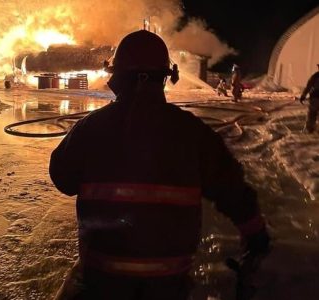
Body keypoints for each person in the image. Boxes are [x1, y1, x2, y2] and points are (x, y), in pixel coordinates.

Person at [49, 30, 270, 300]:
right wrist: (256, 234)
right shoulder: (193, 133)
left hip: (102, 280)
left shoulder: (90, 128)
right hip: (168, 284)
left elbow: (62, 178)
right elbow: (232, 189)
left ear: (120, 77)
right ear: (164, 78)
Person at [300, 64, 319, 133]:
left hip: (315, 98)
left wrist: (303, 96)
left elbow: (308, 87)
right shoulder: (315, 76)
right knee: (312, 114)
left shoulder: (315, 76)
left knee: (312, 114)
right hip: (315, 98)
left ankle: (309, 129)